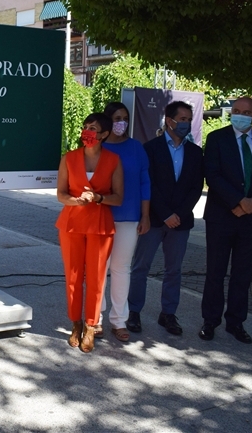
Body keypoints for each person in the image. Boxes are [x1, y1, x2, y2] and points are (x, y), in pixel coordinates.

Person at [200, 97, 252, 344]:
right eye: (236, 111)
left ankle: (236, 322)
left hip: (251, 219)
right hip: (221, 217)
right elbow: (212, 175)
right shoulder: (217, 138)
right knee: (215, 271)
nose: (240, 115)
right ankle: (210, 321)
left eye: (246, 112)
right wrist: (238, 201)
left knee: (242, 274)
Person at [127, 101, 204, 336]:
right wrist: (165, 213)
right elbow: (148, 184)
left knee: (174, 270)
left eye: (188, 119)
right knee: (141, 267)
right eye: (182, 119)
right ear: (169, 121)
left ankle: (168, 314)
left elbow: (195, 187)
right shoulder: (150, 148)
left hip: (180, 222)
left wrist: (178, 214)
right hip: (154, 220)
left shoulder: (195, 151)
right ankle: (133, 312)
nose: (186, 123)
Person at [56, 113, 123, 353]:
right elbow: (61, 194)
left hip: (100, 225)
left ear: (105, 134)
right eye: (85, 127)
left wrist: (99, 197)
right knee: (73, 277)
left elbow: (118, 197)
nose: (87, 132)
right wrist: (76, 201)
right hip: (72, 222)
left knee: (96, 279)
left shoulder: (114, 160)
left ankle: (91, 325)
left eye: (93, 128)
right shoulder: (69, 158)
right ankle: (75, 324)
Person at [97, 102, 150, 343]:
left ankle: (119, 320)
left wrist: (145, 215)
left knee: (121, 268)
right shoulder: (97, 147)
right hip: (100, 216)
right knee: (99, 269)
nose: (122, 122)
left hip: (129, 217)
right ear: (108, 122)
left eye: (125, 117)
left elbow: (144, 182)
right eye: (117, 118)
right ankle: (95, 319)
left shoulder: (136, 148)